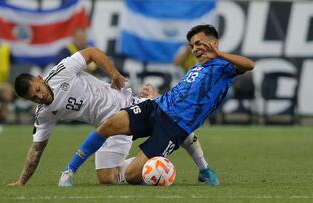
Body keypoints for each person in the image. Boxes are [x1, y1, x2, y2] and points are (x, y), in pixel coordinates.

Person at [64, 24, 255, 185]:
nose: (195, 48)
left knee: (132, 176)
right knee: (109, 124)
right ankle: (69, 172)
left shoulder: (224, 67)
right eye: (192, 45)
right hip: (156, 107)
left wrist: (218, 53)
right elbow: (183, 95)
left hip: (174, 127)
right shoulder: (196, 68)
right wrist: (157, 96)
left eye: (199, 43)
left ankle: (164, 168)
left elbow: (249, 64)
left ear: (213, 43)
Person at [8, 47, 217, 187]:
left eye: (38, 89)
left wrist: (114, 74)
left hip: (126, 105)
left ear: (40, 79)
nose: (40, 96)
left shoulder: (61, 71)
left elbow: (91, 53)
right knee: (106, 178)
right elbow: (36, 150)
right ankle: (150, 166)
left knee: (173, 119)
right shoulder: (43, 114)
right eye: (33, 97)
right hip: (107, 129)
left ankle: (204, 168)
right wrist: (21, 181)